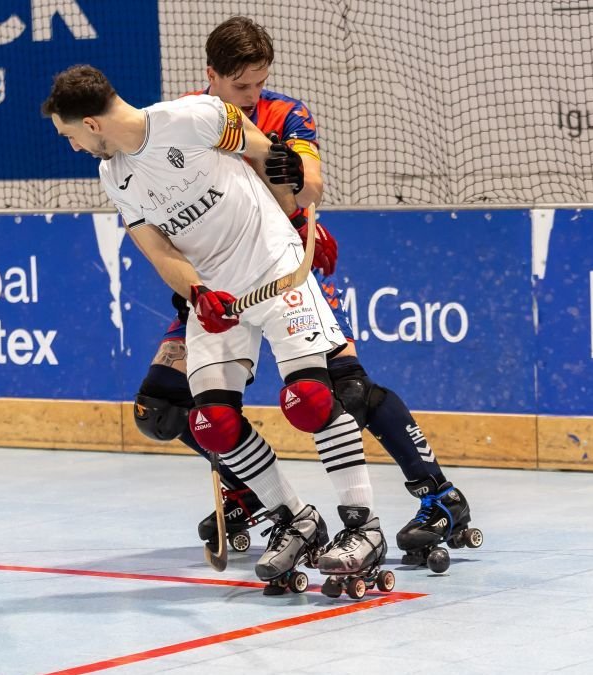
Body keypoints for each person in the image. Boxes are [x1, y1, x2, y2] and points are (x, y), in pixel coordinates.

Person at [130, 16, 479, 569]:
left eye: (259, 84)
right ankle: (250, 487)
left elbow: (311, 185)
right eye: (241, 87)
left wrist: (294, 171)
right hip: (212, 286)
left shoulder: (283, 112)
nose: (251, 97)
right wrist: (189, 284)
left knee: (343, 391)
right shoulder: (186, 121)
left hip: (279, 268)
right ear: (211, 77)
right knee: (162, 409)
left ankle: (438, 495)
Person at [42, 64, 389, 594]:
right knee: (213, 425)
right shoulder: (113, 175)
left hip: (273, 267)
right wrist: (198, 294)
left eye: (69, 137)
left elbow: (265, 155)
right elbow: (158, 247)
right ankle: (297, 520)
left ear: (91, 124)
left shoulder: (195, 117)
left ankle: (363, 526)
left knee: (311, 398)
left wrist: (297, 213)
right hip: (216, 296)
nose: (73, 148)